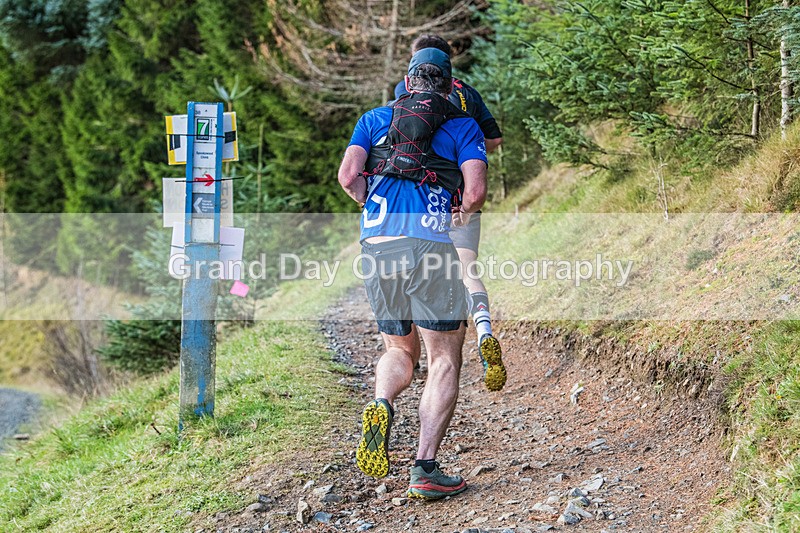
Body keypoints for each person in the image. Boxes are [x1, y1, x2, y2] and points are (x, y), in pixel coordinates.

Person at [338, 47, 488, 499]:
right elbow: (476, 189)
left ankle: (382, 403)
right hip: (431, 247)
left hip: (378, 246)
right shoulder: (463, 125)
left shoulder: (373, 119)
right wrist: (463, 209)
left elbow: (347, 176)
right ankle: (424, 468)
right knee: (444, 357)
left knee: (399, 350)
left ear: (407, 81)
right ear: (447, 84)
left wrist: (369, 202)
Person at [393, 34, 506, 392]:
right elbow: (494, 140)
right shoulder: (467, 93)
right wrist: (468, 148)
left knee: (415, 274)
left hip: (423, 199)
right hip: (462, 198)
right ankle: (484, 329)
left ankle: (411, 356)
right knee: (467, 268)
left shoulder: (404, 89)